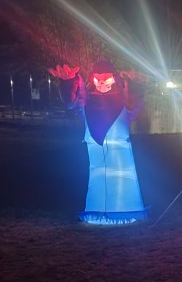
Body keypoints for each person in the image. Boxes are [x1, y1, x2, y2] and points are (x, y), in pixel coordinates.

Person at [48, 60, 148, 224]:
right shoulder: (87, 101)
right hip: (96, 156)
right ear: (92, 79)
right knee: (98, 182)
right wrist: (68, 82)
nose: (101, 83)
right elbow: (70, 102)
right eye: (97, 79)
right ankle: (99, 210)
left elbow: (133, 105)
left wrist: (136, 86)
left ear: (114, 78)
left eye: (106, 79)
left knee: (121, 182)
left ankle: (124, 210)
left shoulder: (123, 99)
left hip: (121, 157)